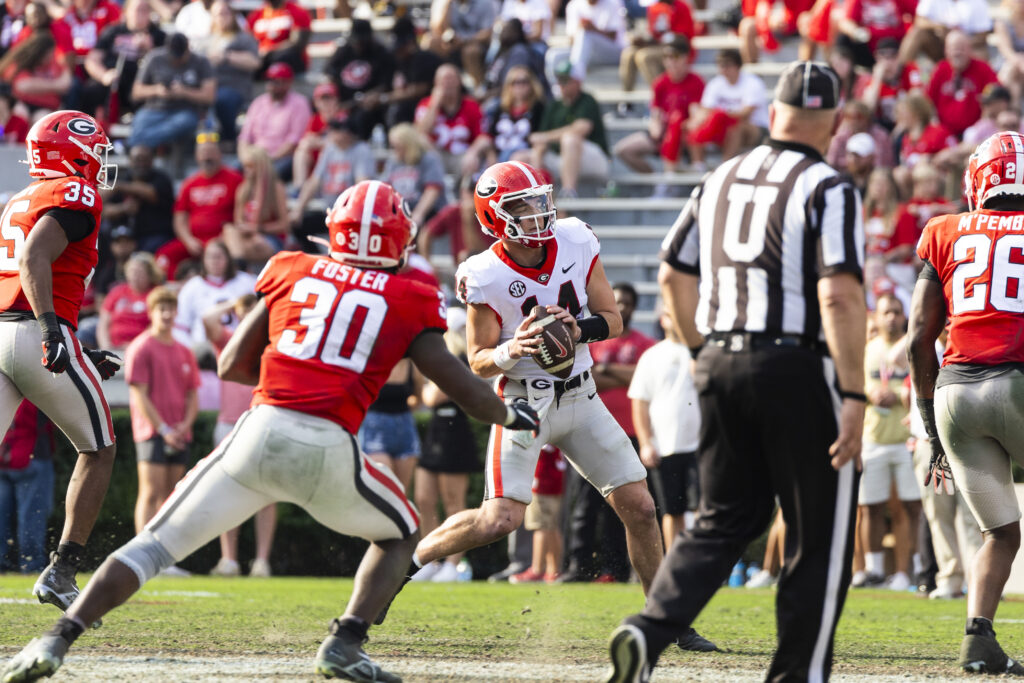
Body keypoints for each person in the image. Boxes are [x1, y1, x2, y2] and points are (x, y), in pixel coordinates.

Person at [0, 179, 540, 683]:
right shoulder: (412, 293)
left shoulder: (291, 267)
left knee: (153, 546)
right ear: (399, 238)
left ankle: (55, 640)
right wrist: (512, 415)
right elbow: (461, 385)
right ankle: (345, 641)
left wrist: (295, 374)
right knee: (401, 533)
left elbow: (231, 361)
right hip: (329, 445)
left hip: (257, 431)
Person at [607, 62, 866, 683]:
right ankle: (795, 675)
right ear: (831, 123)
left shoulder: (721, 175)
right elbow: (838, 295)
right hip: (797, 363)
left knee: (721, 520)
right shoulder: (828, 186)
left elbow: (672, 273)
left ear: (771, 113)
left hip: (720, 356)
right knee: (818, 536)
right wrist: (855, 391)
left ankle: (648, 629)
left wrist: (700, 353)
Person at [407, 160, 696, 640]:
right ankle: (407, 561)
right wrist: (511, 348)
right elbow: (477, 361)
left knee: (641, 507)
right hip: (523, 405)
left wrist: (573, 329)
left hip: (582, 396)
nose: (538, 213)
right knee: (498, 520)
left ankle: (665, 620)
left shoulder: (576, 239)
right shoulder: (483, 272)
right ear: (494, 217)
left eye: (540, 200)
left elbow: (612, 320)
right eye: (522, 206)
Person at [907, 131, 1024, 675]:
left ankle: (978, 640)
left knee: (999, 533)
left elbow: (916, 338)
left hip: (956, 392)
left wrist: (931, 431)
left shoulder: (944, 229)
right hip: (1019, 379)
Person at [0, 110, 122, 624]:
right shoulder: (75, 194)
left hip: (5, 329)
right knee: (99, 449)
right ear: (70, 152)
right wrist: (54, 331)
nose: (100, 161)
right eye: (95, 150)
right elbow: (33, 259)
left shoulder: (19, 198)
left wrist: (70, 340)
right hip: (33, 333)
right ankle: (62, 571)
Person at [561, 282, 654, 585]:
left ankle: (615, 570)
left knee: (626, 507)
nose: (622, 307)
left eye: (627, 302)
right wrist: (621, 374)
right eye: (617, 301)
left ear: (634, 307)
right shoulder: (591, 340)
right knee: (584, 507)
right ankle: (579, 567)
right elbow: (586, 379)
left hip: (630, 431)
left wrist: (606, 371)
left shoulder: (644, 344)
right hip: (588, 431)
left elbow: (643, 377)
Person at [203, 294, 276, 578]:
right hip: (229, 423)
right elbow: (208, 320)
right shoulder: (230, 340)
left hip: (263, 420)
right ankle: (229, 559)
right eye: (245, 312)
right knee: (227, 491)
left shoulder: (271, 342)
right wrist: (234, 302)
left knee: (267, 494)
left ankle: (261, 561)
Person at [854, 293, 920, 590]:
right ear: (876, 317)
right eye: (886, 312)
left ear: (904, 316)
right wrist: (872, 394)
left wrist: (898, 395)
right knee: (870, 507)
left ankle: (909, 572)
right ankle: (874, 570)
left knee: (909, 507)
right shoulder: (869, 348)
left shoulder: (912, 344)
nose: (891, 317)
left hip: (907, 439)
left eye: (896, 311)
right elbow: (858, 382)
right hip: (874, 438)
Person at [125, 286, 200, 538]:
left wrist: (185, 425)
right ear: (152, 312)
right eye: (162, 309)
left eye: (171, 309)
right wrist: (164, 429)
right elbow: (139, 394)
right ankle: (140, 554)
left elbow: (192, 394)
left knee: (172, 497)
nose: (167, 314)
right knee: (150, 493)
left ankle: (165, 555)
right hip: (152, 432)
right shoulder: (142, 346)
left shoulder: (184, 350)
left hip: (178, 433)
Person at [412, 308, 480, 583]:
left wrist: (424, 387)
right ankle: (430, 559)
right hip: (436, 431)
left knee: (454, 503)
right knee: (424, 499)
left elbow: (430, 397)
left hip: (455, 433)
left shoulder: (459, 360)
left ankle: (454, 563)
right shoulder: (438, 361)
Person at [629, 305, 701, 547]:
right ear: (662, 319)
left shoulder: (702, 352)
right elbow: (639, 401)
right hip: (665, 447)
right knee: (671, 511)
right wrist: (646, 443)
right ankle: (675, 563)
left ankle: (701, 562)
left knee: (702, 508)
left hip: (700, 445)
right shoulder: (652, 355)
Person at [613, 37, 704, 192]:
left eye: (674, 57)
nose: (670, 62)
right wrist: (656, 127)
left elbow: (696, 115)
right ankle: (659, 181)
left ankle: (674, 175)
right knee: (623, 150)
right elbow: (655, 115)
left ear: (685, 58)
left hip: (685, 135)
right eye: (666, 57)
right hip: (664, 133)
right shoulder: (660, 83)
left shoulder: (696, 82)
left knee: (677, 124)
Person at [158, 136, 243, 278]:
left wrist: (227, 236)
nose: (207, 157)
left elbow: (241, 213)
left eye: (210, 152)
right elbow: (180, 219)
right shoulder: (190, 183)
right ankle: (179, 287)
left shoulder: (234, 179)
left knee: (217, 255)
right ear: (197, 157)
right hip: (194, 240)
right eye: (203, 153)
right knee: (163, 257)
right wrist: (188, 240)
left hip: (222, 238)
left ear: (219, 154)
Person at [524, 60, 609, 198]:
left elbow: (582, 128)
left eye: (566, 80)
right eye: (559, 80)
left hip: (592, 158)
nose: (561, 84)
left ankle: (569, 192)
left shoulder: (587, 100)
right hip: (562, 159)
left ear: (577, 81)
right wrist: (537, 156)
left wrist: (546, 137)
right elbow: (539, 139)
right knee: (521, 157)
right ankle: (535, 195)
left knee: (570, 139)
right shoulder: (554, 105)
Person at [80, 0, 165, 124]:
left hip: (141, 82)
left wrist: (149, 49)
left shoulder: (158, 35)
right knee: (90, 90)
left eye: (145, 10)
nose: (140, 14)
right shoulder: (113, 31)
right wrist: (104, 75)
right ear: (126, 12)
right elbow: (92, 59)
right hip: (114, 77)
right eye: (137, 9)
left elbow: (166, 65)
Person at [128, 33, 215, 149]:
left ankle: (135, 144)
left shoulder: (201, 61)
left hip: (186, 110)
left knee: (181, 123)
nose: (176, 60)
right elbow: (136, 92)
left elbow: (210, 96)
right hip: (154, 109)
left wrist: (184, 92)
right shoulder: (154, 58)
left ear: (188, 49)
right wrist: (157, 90)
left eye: (180, 56)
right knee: (140, 121)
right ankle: (139, 144)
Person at [685, 48, 769, 169]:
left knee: (736, 128)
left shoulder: (753, 83)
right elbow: (705, 110)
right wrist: (697, 120)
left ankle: (724, 167)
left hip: (756, 129)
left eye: (727, 65)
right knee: (694, 125)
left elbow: (745, 114)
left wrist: (720, 115)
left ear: (738, 66)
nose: (723, 69)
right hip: (723, 126)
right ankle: (698, 164)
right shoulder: (715, 84)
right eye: (720, 65)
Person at [0, 400, 55, 574]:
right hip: (33, 455)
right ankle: (31, 565)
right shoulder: (37, 384)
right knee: (32, 517)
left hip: (4, 454)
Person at [237, 61, 310, 182]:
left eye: (277, 81)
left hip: (282, 157)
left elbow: (294, 141)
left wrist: (269, 159)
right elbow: (244, 137)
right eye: (269, 80)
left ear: (288, 83)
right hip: (255, 156)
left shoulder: (299, 104)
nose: (272, 85)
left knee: (269, 176)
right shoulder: (258, 102)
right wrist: (245, 157)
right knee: (234, 173)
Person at [172, 240, 255, 345]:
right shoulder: (192, 287)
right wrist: (191, 351)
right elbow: (180, 326)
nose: (214, 261)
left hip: (240, 343)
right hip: (204, 347)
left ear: (228, 259)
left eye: (218, 257)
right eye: (210, 257)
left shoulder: (246, 281)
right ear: (204, 260)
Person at [100, 144, 175, 254]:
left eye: (145, 159)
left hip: (155, 235)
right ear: (129, 161)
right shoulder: (125, 178)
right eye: (137, 159)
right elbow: (102, 208)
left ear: (151, 161)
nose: (141, 164)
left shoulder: (161, 179)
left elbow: (151, 193)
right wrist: (123, 209)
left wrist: (118, 186)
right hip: (125, 237)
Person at [230, 145, 289, 263]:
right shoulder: (243, 189)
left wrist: (258, 229)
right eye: (245, 167)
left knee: (230, 248)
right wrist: (249, 231)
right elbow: (238, 221)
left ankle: (239, 265)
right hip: (248, 238)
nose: (246, 170)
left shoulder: (276, 188)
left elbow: (284, 225)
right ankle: (240, 263)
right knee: (228, 231)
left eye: (250, 167)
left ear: (261, 167)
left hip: (270, 238)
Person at [96, 251, 162, 352]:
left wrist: (135, 346)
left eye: (140, 272)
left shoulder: (156, 294)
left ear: (150, 275)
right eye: (132, 271)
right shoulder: (117, 291)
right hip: (113, 346)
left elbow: (156, 326)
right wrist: (106, 347)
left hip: (141, 348)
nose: (135, 276)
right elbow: (103, 322)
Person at [246, 0, 310, 75]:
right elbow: (247, 41)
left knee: (284, 58)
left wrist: (269, 52)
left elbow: (298, 43)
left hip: (287, 59)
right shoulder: (256, 15)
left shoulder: (297, 11)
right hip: (262, 59)